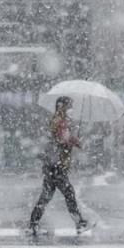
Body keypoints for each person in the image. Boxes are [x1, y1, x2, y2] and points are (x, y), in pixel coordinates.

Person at [28, 96, 91, 236]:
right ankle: (79, 223)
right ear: (62, 107)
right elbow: (63, 139)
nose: (72, 110)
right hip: (56, 165)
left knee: (46, 196)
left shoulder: (61, 121)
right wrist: (76, 142)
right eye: (70, 107)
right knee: (68, 194)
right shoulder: (60, 121)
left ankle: (33, 223)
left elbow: (62, 139)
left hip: (53, 165)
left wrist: (72, 140)